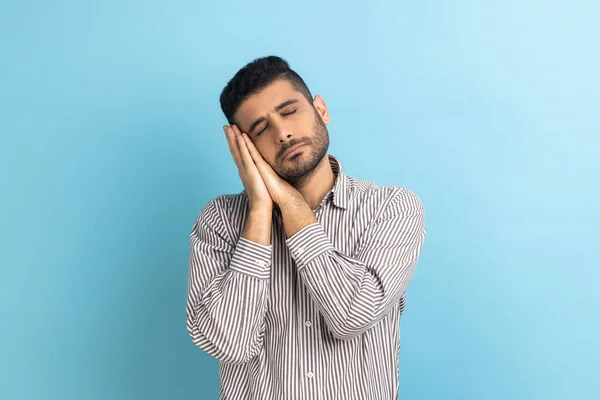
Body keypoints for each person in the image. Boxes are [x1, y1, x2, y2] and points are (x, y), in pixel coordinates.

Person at [185, 55, 427, 400]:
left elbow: (352, 314)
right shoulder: (220, 221)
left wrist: (292, 206)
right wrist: (259, 209)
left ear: (321, 110)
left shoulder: (390, 208)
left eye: (288, 111)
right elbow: (230, 344)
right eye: (260, 128)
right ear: (243, 148)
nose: (282, 132)